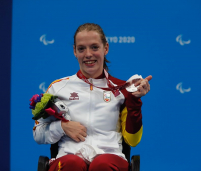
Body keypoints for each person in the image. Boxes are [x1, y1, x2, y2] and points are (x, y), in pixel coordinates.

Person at [33, 23, 152, 171]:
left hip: (110, 158)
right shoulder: (57, 88)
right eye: (81, 48)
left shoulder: (123, 89)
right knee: (72, 164)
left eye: (94, 47)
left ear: (106, 48)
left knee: (102, 165)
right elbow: (38, 134)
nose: (88, 54)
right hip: (69, 158)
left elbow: (133, 140)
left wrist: (135, 100)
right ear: (74, 51)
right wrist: (62, 127)